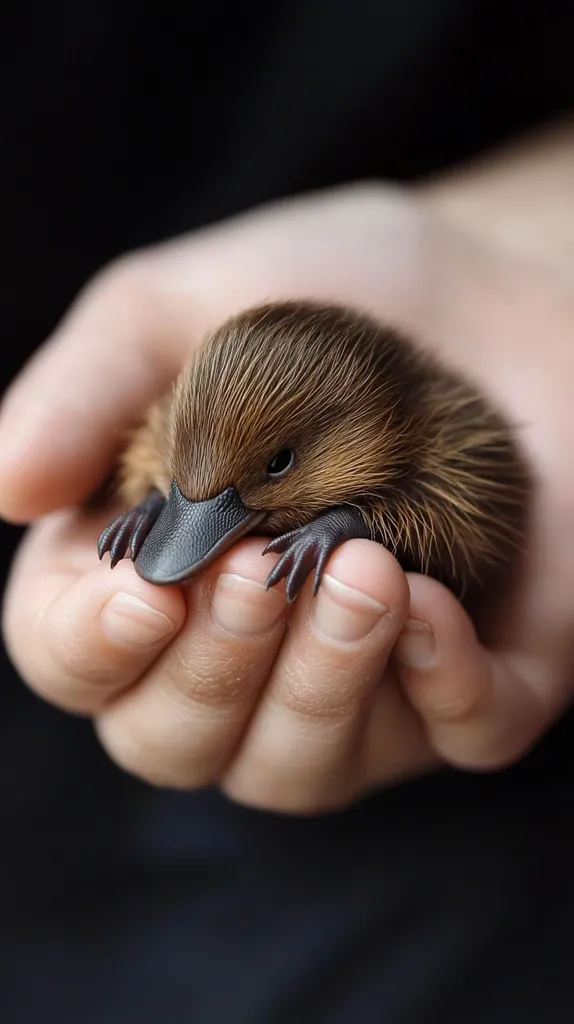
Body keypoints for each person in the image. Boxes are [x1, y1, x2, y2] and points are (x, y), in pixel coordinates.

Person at [1, 2, 574, 1021]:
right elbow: (161, 442)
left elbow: (473, 548)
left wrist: (539, 230)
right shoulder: (187, 419)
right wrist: (151, 494)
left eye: (272, 466)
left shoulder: (447, 446)